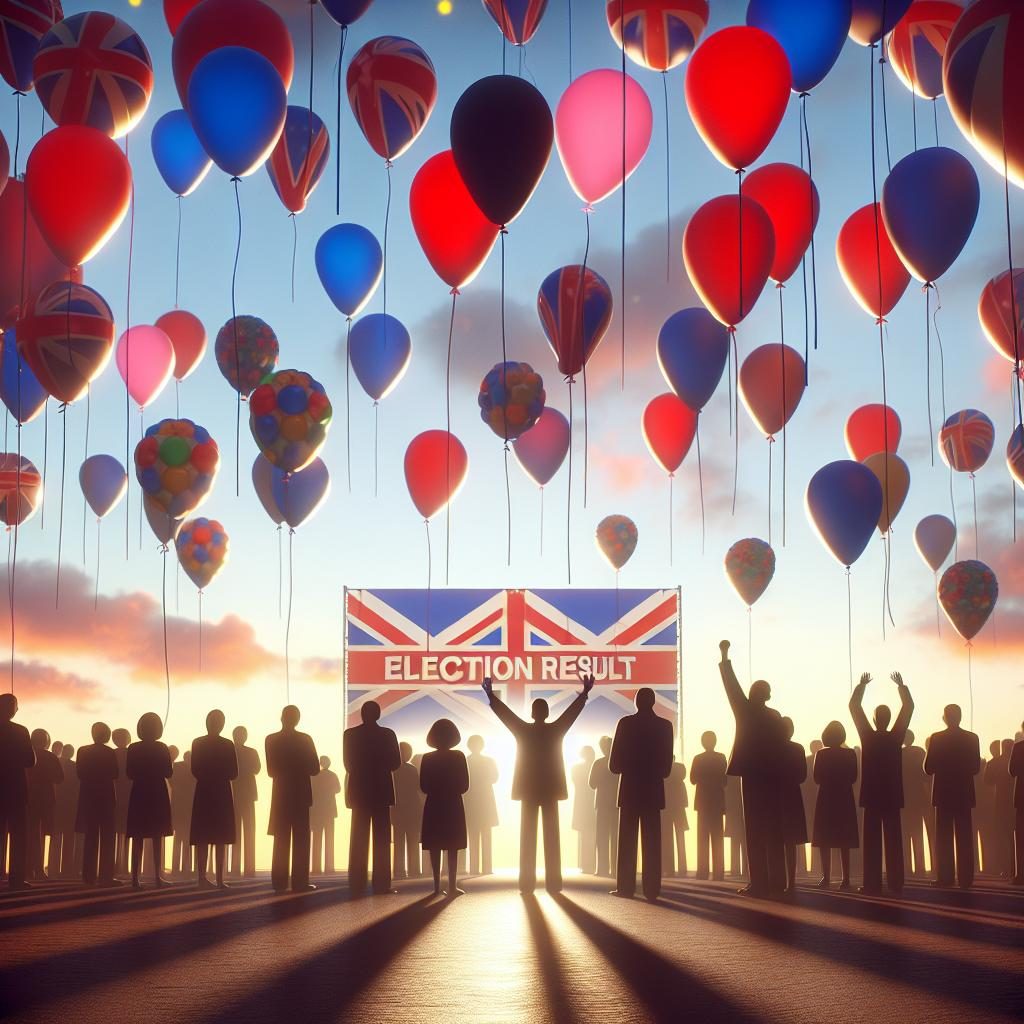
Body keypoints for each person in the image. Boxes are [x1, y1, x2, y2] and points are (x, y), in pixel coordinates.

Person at [483, 674, 592, 895]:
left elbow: (506, 715)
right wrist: (584, 694)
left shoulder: (523, 730)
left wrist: (491, 695)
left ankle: (526, 884)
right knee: (552, 838)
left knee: (527, 837)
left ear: (533, 713)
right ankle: (554, 883)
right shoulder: (556, 730)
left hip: (528, 790)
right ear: (547, 713)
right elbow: (571, 714)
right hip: (551, 789)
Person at [718, 640, 786, 897]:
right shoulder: (776, 717)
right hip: (772, 777)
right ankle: (778, 881)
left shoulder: (745, 710)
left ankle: (758, 883)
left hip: (753, 776)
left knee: (755, 830)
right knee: (774, 829)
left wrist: (725, 657)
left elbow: (730, 686)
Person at [849, 671, 913, 895]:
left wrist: (861, 686)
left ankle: (872, 882)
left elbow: (854, 708)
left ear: (875, 720)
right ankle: (896, 881)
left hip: (872, 794)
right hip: (893, 794)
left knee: (872, 842)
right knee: (894, 839)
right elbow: (908, 708)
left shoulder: (867, 736)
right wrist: (902, 687)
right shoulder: (897, 736)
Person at [609, 688, 674, 901]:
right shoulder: (665, 727)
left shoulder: (625, 724)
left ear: (636, 702)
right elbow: (666, 769)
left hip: (629, 790)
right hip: (653, 790)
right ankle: (652, 888)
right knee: (653, 842)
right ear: (654, 702)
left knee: (627, 842)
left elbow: (614, 765)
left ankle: (626, 887)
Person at [343, 701, 400, 897]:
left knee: (358, 838)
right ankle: (382, 883)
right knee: (382, 839)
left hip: (359, 790)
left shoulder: (350, 735)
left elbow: (348, 765)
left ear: (361, 714)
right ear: (378, 715)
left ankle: (356, 882)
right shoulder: (388, 734)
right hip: (381, 791)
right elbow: (395, 763)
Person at [925, 705, 981, 889]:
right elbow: (975, 768)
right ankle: (966, 877)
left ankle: (946, 876)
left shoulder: (937, 738)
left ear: (945, 718)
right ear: (960, 716)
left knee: (943, 837)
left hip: (943, 793)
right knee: (965, 836)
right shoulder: (972, 738)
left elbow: (928, 768)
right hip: (964, 792)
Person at [266, 705, 320, 892]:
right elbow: (314, 768)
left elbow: (271, 770)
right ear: (297, 720)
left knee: (280, 839)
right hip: (300, 794)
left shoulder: (271, 740)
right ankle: (299, 882)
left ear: (282, 718)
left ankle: (279, 882)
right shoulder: (305, 739)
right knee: (301, 839)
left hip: (281, 794)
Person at [420, 718, 470, 897]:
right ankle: (452, 885)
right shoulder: (459, 756)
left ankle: (435, 886)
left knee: (435, 845)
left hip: (434, 804)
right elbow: (465, 785)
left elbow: (423, 786)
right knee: (452, 846)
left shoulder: (427, 758)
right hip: (453, 804)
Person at [190, 710, 238, 890]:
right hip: (221, 792)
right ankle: (218, 879)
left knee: (204, 836)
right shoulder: (227, 745)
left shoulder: (198, 743)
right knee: (220, 837)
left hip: (203, 791)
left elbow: (195, 769)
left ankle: (202, 878)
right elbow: (234, 772)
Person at [126, 712, 173, 889]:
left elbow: (129, 773)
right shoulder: (162, 747)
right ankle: (157, 877)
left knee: (137, 836)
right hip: (157, 792)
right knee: (157, 836)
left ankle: (135, 878)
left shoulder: (133, 748)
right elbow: (169, 772)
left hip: (139, 792)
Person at [812, 721, 859, 890]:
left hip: (826, 797)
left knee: (825, 839)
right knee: (844, 839)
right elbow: (854, 777)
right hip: (845, 797)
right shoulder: (850, 754)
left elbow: (816, 778)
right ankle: (845, 878)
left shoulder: (821, 754)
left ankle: (826, 877)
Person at [76, 722, 120, 888]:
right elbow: (115, 773)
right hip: (106, 796)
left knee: (90, 836)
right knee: (108, 837)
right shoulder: (109, 752)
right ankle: (106, 876)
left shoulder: (82, 751)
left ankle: (88, 876)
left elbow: (79, 773)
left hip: (88, 796)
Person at [0, 693, 35, 890]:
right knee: (18, 834)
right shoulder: (21, 731)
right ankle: (16, 878)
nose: (18, 709)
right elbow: (30, 761)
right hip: (16, 788)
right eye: (16, 705)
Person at [26, 729, 62, 880]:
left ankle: (28, 868)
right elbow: (60, 778)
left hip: (28, 798)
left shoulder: (27, 754)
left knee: (29, 832)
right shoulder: (51, 756)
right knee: (43, 834)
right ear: (47, 741)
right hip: (46, 798)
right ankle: (39, 869)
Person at [691, 730, 727, 881]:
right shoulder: (721, 758)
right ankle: (719, 872)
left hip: (703, 802)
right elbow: (725, 780)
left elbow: (692, 779)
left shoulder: (698, 759)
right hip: (717, 802)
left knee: (702, 839)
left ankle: (703, 871)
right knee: (718, 838)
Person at [780, 718, 808, 897]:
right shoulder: (798, 749)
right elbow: (803, 775)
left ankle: (778, 880)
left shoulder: (771, 749)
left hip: (776, 796)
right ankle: (791, 881)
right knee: (791, 842)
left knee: (776, 840)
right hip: (793, 795)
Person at [230, 725, 261, 880]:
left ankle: (235, 868)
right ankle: (248, 868)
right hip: (245, 794)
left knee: (236, 832)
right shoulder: (251, 752)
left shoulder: (229, 751)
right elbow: (257, 768)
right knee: (247, 832)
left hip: (236, 794)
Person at [465, 735, 498, 876]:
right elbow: (495, 777)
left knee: (473, 835)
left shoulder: (465, 761)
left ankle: (474, 868)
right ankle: (487, 867)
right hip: (485, 801)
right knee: (486, 835)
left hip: (471, 800)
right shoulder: (489, 761)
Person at [901, 730, 931, 878]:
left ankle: (906, 866)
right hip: (918, 797)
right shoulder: (920, 752)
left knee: (905, 834)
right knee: (917, 832)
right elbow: (925, 775)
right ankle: (920, 866)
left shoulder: (898, 753)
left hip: (904, 797)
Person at [391, 742, 422, 880]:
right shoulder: (412, 769)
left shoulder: (392, 770)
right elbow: (417, 788)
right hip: (412, 808)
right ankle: (414, 870)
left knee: (398, 841)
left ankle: (398, 871)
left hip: (397, 809)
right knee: (413, 840)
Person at [984, 739, 1015, 879]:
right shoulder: (1018, 760)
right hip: (1017, 803)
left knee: (1002, 836)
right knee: (1016, 836)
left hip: (1000, 802)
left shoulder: (993, 763)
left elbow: (987, 781)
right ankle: (1016, 867)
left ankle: (1006, 868)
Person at [589, 735, 618, 878]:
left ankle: (602, 868)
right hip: (617, 803)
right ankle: (616, 868)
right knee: (616, 837)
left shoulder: (598, 763)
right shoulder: (619, 763)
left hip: (601, 803)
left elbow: (592, 784)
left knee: (602, 836)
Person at [51, 742, 79, 878]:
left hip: (57, 804)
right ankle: (67, 869)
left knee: (56, 836)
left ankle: (53, 867)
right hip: (70, 805)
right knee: (69, 838)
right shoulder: (74, 766)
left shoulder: (57, 763)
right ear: (72, 753)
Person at [311, 755, 341, 875]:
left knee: (316, 839)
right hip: (329, 810)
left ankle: (316, 867)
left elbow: (311, 791)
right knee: (330, 839)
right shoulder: (332, 775)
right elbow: (338, 789)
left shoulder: (314, 776)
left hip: (317, 810)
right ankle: (329, 866)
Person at [661, 757, 689, 879]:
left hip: (667, 806)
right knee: (680, 837)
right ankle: (683, 867)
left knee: (667, 839)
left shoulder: (662, 768)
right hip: (679, 806)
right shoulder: (680, 768)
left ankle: (669, 868)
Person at [571, 745, 597, 874]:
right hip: (592, 805)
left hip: (582, 804)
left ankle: (585, 865)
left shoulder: (576, 768)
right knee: (594, 834)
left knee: (584, 835)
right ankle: (592, 864)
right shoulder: (595, 766)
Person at [169, 750, 195, 878]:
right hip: (188, 808)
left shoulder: (177, 768)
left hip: (178, 807)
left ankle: (176, 868)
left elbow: (172, 782)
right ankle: (186, 868)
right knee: (186, 840)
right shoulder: (194, 769)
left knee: (179, 839)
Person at [801, 739, 823, 879]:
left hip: (808, 801)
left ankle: (804, 867)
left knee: (805, 835)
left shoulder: (807, 760)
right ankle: (817, 867)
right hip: (818, 800)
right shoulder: (822, 759)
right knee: (818, 835)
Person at [112, 727, 131, 877]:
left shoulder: (112, 753)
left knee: (116, 831)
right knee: (126, 831)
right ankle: (123, 865)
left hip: (115, 793)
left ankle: (117, 865)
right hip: (128, 794)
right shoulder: (131, 753)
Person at [1010, 724, 1024, 885]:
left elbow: (1012, 770)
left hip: (1022, 796)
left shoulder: (1019, 747)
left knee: (1020, 838)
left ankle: (1021, 874)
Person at [724, 774, 746, 879]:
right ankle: (746, 868)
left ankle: (735, 869)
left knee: (735, 840)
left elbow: (726, 787)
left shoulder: (729, 773)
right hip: (743, 808)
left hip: (733, 808)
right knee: (746, 840)